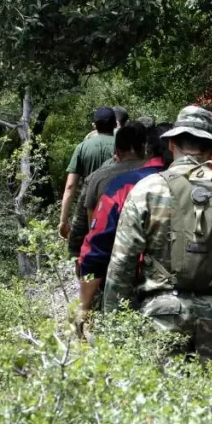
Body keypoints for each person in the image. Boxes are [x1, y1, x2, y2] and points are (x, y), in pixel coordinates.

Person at [103, 106, 212, 360]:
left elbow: (121, 265)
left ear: (172, 144)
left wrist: (115, 337)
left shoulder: (147, 190)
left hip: (161, 317)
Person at [76, 123, 171, 329]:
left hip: (137, 297)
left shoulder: (123, 186)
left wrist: (84, 306)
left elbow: (97, 247)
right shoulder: (211, 187)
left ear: (147, 148)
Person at [67, 121, 149, 263]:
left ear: (116, 151)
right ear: (144, 148)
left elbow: (82, 225)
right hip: (150, 257)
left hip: (110, 257)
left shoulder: (97, 178)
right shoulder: (160, 173)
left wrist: (76, 255)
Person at [59, 108, 117, 246]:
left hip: (87, 206)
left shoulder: (82, 147)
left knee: (80, 250)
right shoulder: (122, 146)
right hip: (115, 205)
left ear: (94, 126)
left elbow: (70, 186)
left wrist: (63, 220)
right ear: (115, 125)